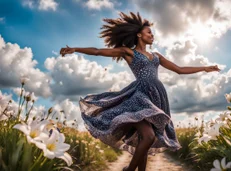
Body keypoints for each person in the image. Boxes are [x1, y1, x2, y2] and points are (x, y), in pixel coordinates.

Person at [60, 12, 221, 171]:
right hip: (139, 97)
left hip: (157, 98)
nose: (152, 35)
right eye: (149, 32)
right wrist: (75, 49)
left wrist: (204, 68)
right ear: (139, 34)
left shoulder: (156, 56)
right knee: (149, 136)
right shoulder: (129, 52)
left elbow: (179, 69)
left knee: (144, 140)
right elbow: (97, 51)